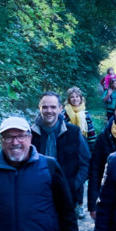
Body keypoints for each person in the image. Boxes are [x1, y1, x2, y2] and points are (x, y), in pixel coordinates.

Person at [32, 91, 90, 221]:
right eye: (45, 107)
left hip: (67, 197)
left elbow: (85, 163)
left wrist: (72, 185)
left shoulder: (73, 133)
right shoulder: (30, 134)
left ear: (60, 109)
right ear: (39, 108)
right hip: (38, 196)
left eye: (53, 107)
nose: (49, 111)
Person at [63, 87, 96, 151]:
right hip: (67, 144)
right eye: (72, 97)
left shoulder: (85, 113)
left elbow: (90, 130)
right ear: (69, 99)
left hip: (83, 143)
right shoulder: (64, 114)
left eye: (77, 96)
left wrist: (92, 145)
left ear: (80, 98)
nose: (75, 99)